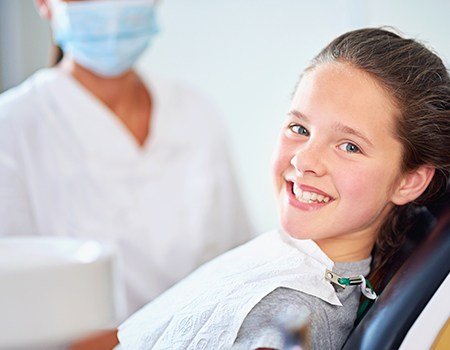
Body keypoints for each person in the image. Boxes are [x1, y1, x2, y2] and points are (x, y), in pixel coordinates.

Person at [116, 28, 450, 350]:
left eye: (349, 146)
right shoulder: (286, 256)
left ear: (410, 181)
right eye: (299, 127)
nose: (305, 159)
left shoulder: (290, 317)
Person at [0, 0, 252, 320]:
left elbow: (239, 259)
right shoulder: (11, 127)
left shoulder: (195, 110)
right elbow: (13, 299)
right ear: (44, 4)